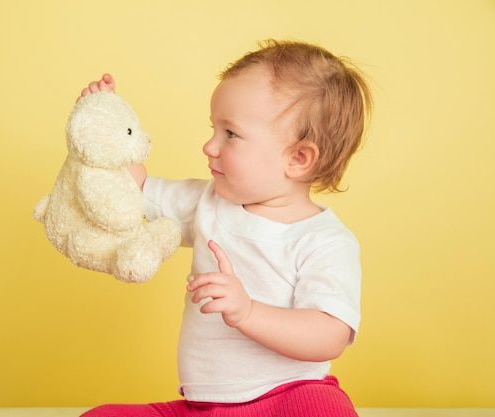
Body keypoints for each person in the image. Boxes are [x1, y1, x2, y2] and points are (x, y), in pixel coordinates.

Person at [79, 39, 373, 417]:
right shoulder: (208, 202)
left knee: (324, 409)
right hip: (203, 407)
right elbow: (135, 190)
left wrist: (248, 312)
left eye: (230, 134)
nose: (209, 146)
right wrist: (102, 122)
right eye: (213, 129)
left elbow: (329, 335)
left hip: (287, 399)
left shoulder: (324, 241)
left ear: (298, 158)